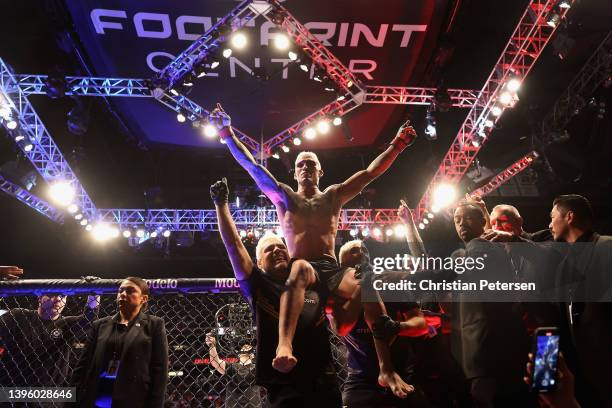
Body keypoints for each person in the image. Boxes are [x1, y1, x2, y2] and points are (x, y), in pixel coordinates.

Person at [210, 103, 416, 397]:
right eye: (300, 165)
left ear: (321, 171)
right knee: (301, 268)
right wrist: (227, 134)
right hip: (302, 268)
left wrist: (397, 145)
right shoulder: (284, 197)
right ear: (294, 173)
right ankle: (284, 343)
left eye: (311, 164)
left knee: (366, 281)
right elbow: (253, 168)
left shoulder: (333, 196)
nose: (306, 167)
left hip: (330, 267)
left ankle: (386, 368)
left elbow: (370, 172)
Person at [212, 178, 341, 407]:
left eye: (281, 246)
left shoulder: (310, 276)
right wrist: (221, 205)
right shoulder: (258, 284)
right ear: (259, 263)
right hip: (283, 383)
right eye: (268, 249)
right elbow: (233, 245)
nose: (277, 250)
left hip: (324, 379)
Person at [334, 238, 431, 408]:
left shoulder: (391, 284)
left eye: (364, 250)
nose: (362, 253)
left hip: (401, 374)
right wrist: (361, 287)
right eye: (354, 251)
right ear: (342, 264)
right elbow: (340, 328)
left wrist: (398, 327)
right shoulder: (338, 294)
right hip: (360, 379)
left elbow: (421, 323)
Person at [548, 194, 612, 407]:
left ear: (570, 217)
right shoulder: (561, 267)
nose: (549, 225)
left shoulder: (607, 247)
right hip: (584, 373)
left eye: (552, 217)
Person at [70, 277, 168, 408]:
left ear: (143, 298)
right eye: (120, 290)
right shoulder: (99, 325)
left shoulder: (154, 324)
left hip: (134, 400)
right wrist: (71, 402)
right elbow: (82, 366)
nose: (123, 294)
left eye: (130, 291)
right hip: (96, 399)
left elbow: (160, 371)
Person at [0, 291, 99, 388]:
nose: (58, 299)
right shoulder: (18, 316)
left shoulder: (67, 324)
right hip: (13, 389)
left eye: (63, 296)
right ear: (39, 297)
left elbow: (89, 318)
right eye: (52, 294)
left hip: (51, 393)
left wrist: (94, 292)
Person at [205, 332, 262, 408]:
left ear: (252, 355)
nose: (246, 348)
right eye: (243, 347)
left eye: (249, 347)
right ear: (238, 354)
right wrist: (212, 345)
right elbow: (215, 362)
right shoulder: (232, 367)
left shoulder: (257, 368)